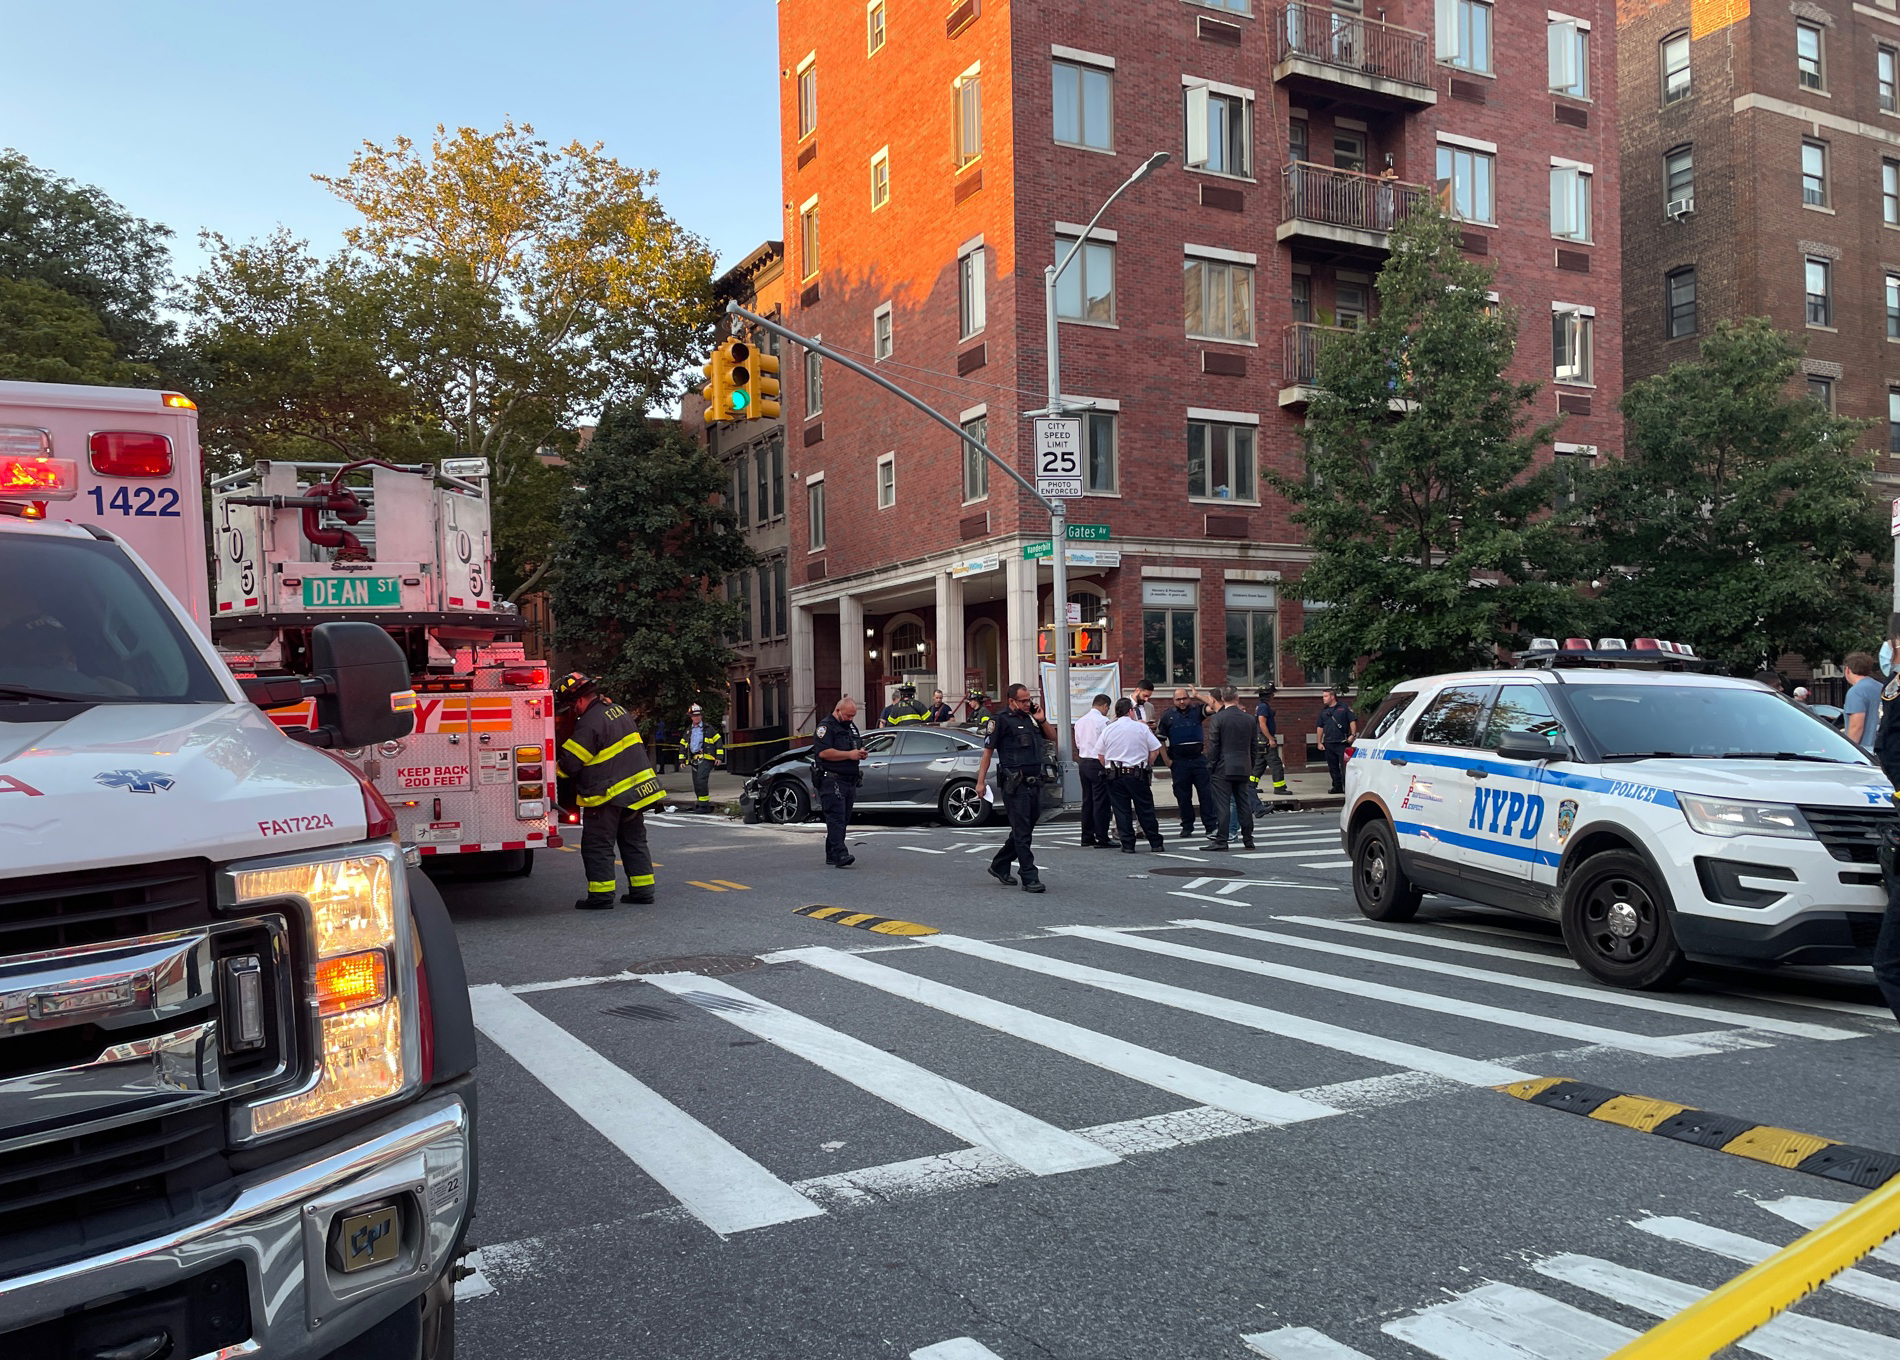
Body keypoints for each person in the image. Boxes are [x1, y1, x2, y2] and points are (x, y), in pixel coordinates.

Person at [554, 672, 666, 910]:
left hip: (607, 795)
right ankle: (643, 891)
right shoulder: (618, 711)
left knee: (597, 846)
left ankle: (601, 896)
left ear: (580, 701)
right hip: (635, 793)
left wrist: (552, 771)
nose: (572, 712)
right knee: (634, 842)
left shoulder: (589, 722)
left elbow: (571, 764)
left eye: (571, 707)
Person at [974, 682, 1056, 892]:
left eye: (1029, 699)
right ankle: (1029, 876)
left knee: (1026, 828)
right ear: (1011, 701)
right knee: (1022, 831)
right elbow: (987, 752)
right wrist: (980, 782)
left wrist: (1042, 719)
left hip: (1035, 782)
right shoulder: (1000, 720)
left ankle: (1000, 864)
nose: (1028, 703)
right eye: (1023, 700)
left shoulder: (1030, 719)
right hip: (1015, 784)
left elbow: (1052, 737)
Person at [1101, 696, 1165, 853]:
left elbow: (1100, 755)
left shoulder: (1108, 729)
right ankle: (1155, 842)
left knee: (1121, 811)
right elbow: (1155, 749)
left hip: (1114, 775)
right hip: (1137, 773)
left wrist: (1109, 767)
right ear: (1131, 711)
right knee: (1145, 809)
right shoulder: (1141, 728)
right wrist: (1147, 764)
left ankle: (1128, 844)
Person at [812, 696, 869, 867]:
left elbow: (854, 745)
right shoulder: (825, 727)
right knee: (836, 818)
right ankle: (840, 853)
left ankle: (831, 853)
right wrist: (849, 755)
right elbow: (823, 753)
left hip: (849, 780)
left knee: (842, 819)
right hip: (832, 780)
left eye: (853, 716)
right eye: (848, 715)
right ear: (838, 711)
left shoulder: (849, 727)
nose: (851, 719)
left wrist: (860, 752)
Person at [1203, 686, 1259, 851]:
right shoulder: (1249, 719)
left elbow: (1213, 745)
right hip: (1243, 765)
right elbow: (1254, 746)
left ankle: (1222, 840)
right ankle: (1248, 839)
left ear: (1221, 697)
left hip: (1222, 767)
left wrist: (1210, 765)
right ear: (1238, 697)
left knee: (1223, 805)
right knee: (1243, 803)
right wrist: (1251, 764)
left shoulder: (1218, 719)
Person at [1157, 686, 1217, 841]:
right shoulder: (1167, 716)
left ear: (1189, 698)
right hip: (1179, 762)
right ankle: (1187, 826)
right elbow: (1160, 740)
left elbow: (1216, 706)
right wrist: (1167, 761)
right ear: (1173, 700)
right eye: (1178, 699)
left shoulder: (1197, 711)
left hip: (1198, 760)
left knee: (1206, 795)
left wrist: (1198, 695)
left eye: (1185, 698)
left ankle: (1210, 826)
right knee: (1183, 796)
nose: (1182, 702)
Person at [1073, 692, 1114, 848]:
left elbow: (1077, 743)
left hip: (1083, 762)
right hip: (1098, 762)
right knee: (1101, 801)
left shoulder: (1080, 721)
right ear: (1104, 706)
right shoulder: (1103, 721)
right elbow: (1107, 743)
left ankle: (1087, 836)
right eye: (1107, 708)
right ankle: (1102, 837)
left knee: (1087, 800)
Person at [683, 703, 725, 812]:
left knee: (701, 780)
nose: (696, 717)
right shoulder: (689, 730)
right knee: (697, 782)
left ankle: (704, 805)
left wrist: (719, 757)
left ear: (701, 716)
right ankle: (701, 803)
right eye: (694, 716)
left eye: (698, 715)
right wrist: (682, 760)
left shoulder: (708, 728)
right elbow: (683, 745)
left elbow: (718, 742)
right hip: (694, 760)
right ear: (691, 717)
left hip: (707, 758)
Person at [1317, 688, 1357, 795]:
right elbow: (1320, 727)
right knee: (1332, 767)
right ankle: (1337, 786)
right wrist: (1319, 742)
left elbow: (1352, 721)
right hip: (1329, 743)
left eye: (1325, 696)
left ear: (1332, 696)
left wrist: (1353, 735)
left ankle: (1347, 787)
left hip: (1342, 742)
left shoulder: (1343, 708)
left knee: (1345, 767)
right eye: (1323, 696)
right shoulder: (1324, 711)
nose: (1323, 698)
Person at [1254, 686, 1292, 799]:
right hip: (1265, 740)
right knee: (1276, 764)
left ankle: (1251, 785)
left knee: (1259, 764)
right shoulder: (1263, 707)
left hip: (1260, 739)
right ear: (1268, 696)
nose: (1273, 696)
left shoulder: (1261, 706)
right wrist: (1270, 739)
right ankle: (1279, 787)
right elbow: (1262, 724)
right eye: (1272, 694)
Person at [1844, 652, 1882, 749]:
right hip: (1881, 746)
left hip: (1864, 749)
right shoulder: (1881, 687)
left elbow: (1856, 726)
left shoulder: (1856, 692)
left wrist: (1849, 749)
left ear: (1847, 670)